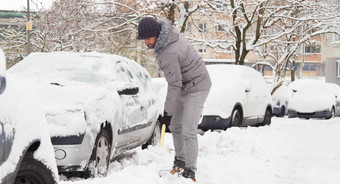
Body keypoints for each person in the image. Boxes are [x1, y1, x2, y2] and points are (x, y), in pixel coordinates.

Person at [137, 17, 212, 182]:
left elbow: (174, 84)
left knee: (188, 129)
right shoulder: (166, 41)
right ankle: (180, 161)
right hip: (185, 85)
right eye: (143, 39)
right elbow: (176, 82)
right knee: (175, 126)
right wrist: (169, 115)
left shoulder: (169, 51)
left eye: (148, 38)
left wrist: (167, 112)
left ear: (157, 34)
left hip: (197, 86)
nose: (145, 42)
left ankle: (190, 170)